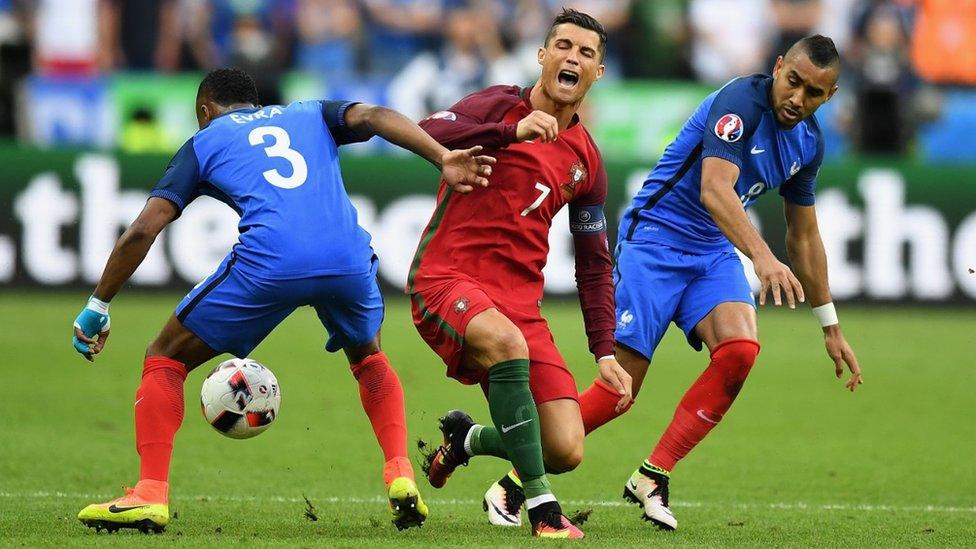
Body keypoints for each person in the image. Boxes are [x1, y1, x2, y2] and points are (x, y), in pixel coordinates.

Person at [70, 67, 495, 533]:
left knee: (164, 359)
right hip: (348, 258)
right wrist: (441, 157)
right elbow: (375, 115)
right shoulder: (309, 113)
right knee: (369, 357)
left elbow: (143, 229)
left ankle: (149, 493)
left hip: (272, 259)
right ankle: (400, 473)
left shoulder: (206, 139)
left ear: (204, 110)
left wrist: (98, 305)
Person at [583, 35, 863, 530]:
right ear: (778, 68)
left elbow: (804, 237)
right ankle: (508, 466)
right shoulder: (739, 102)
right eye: (793, 82)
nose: (798, 99)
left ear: (831, 96)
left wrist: (830, 324)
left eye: (814, 93)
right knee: (619, 391)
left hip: (711, 250)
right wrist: (762, 257)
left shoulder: (809, 143)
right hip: (656, 238)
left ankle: (652, 476)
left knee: (739, 350)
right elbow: (715, 189)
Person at [407, 8, 632, 540]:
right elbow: (428, 130)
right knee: (507, 343)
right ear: (542, 55)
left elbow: (594, 262)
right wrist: (509, 131)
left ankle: (466, 440)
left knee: (565, 447)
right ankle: (544, 511)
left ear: (598, 72)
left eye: (586, 52)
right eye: (563, 46)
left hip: (518, 306)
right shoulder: (496, 103)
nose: (572, 57)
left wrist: (604, 349)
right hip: (447, 280)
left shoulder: (587, 162)